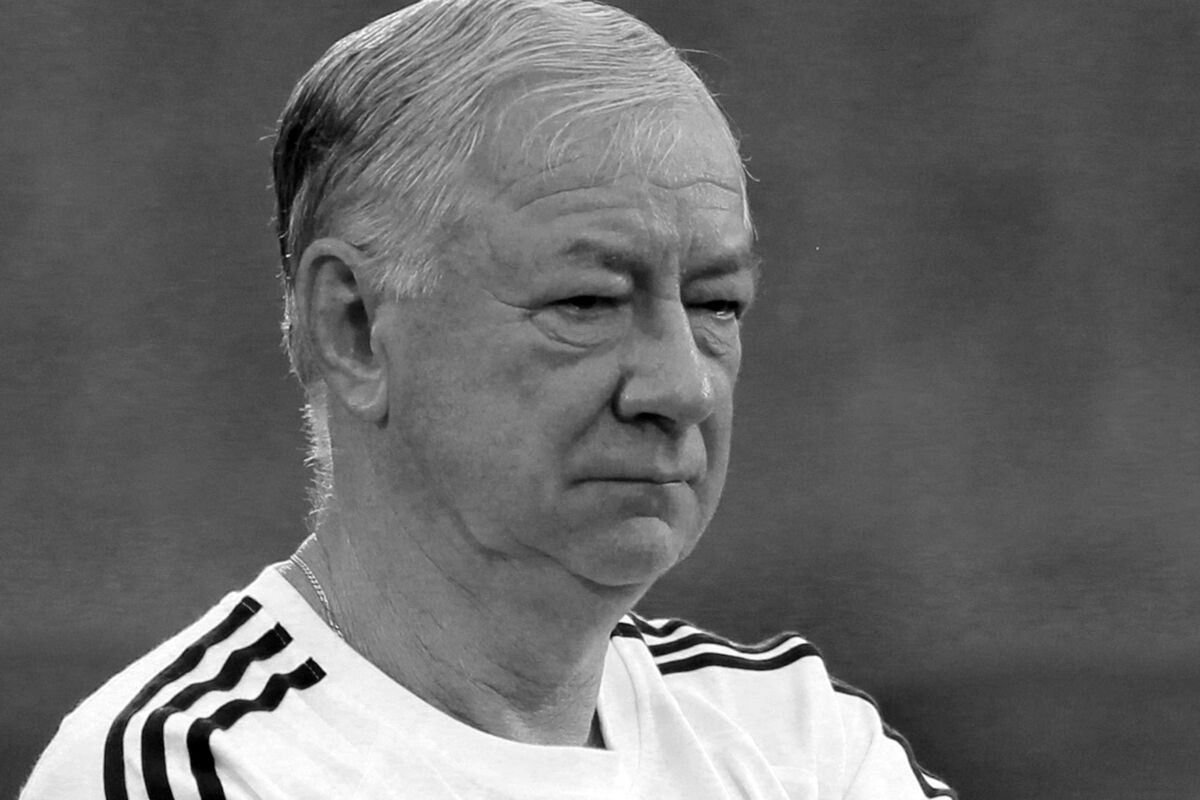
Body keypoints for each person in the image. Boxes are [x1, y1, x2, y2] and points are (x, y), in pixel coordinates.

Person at [21, 1, 956, 798]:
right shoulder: (192, 769)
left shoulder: (799, 741)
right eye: (587, 301)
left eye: (716, 304)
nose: (683, 385)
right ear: (354, 328)